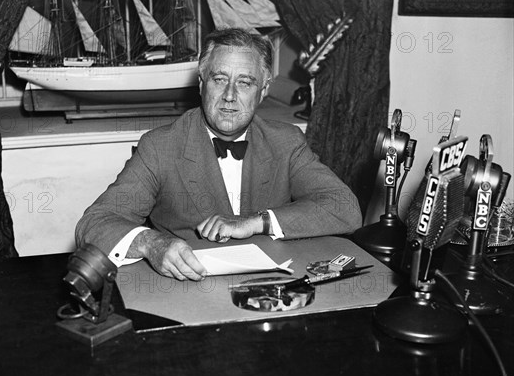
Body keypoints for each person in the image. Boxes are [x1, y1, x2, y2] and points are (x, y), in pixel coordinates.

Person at [76, 28, 361, 281]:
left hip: (270, 289)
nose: (229, 95)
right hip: (188, 291)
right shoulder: (160, 147)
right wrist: (151, 244)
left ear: (263, 91)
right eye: (219, 79)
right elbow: (94, 224)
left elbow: (344, 208)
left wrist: (257, 221)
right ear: (201, 84)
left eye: (245, 83)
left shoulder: (285, 141)